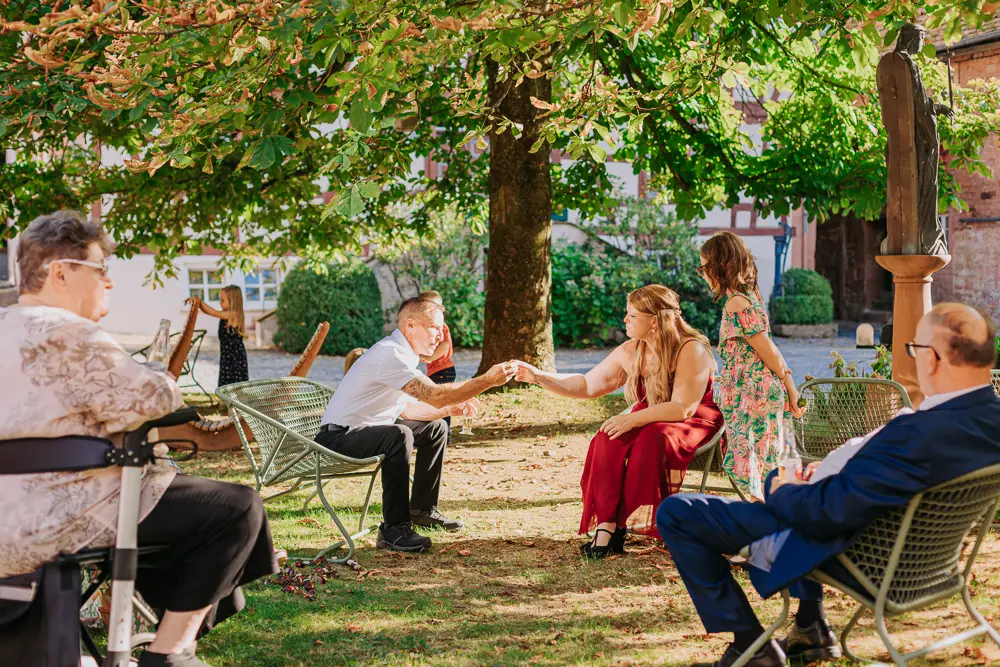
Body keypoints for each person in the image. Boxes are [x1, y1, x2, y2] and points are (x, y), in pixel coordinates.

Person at [0, 211, 277, 667]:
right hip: (67, 514)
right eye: (100, 270)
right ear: (60, 272)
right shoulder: (69, 332)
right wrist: (159, 374)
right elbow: (154, 399)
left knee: (177, 509)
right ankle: (169, 654)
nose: (108, 283)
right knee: (237, 509)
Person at [655, 302, 1000, 667]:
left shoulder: (918, 434)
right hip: (923, 559)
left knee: (678, 512)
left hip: (858, 552)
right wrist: (836, 468)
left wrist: (783, 486)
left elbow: (822, 515)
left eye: (914, 349)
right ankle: (811, 625)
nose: (914, 359)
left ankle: (749, 645)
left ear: (932, 359)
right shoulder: (987, 420)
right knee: (796, 477)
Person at [515, 285, 724, 558]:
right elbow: (587, 385)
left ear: (655, 320)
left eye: (632, 315)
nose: (625, 320)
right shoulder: (632, 350)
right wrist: (540, 376)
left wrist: (633, 419)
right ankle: (607, 526)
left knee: (653, 437)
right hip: (650, 417)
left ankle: (647, 520)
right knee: (607, 436)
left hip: (694, 420)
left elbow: (683, 407)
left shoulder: (690, 348)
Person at [315, 296, 517, 553]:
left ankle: (422, 510)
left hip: (363, 434)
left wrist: (449, 408)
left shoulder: (405, 357)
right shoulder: (390, 354)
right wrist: (487, 380)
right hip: (337, 439)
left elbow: (412, 408)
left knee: (436, 428)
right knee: (398, 434)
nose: (441, 336)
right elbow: (436, 395)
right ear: (411, 325)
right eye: (435, 327)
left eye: (442, 329)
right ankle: (393, 530)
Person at [697, 231, 805, 500]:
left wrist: (790, 384)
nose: (702, 274)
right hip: (752, 392)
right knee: (763, 464)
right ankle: (776, 518)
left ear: (719, 266)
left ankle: (771, 522)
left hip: (752, 395)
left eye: (703, 267)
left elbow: (767, 349)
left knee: (757, 467)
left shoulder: (738, 302)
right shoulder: (748, 296)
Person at [187, 285, 249, 387]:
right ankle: (226, 402)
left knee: (234, 383)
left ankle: (231, 402)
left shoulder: (233, 314)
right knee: (226, 381)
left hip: (234, 357)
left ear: (232, 301)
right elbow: (210, 312)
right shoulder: (227, 314)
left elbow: (213, 313)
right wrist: (199, 305)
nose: (220, 302)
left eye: (222, 300)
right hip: (227, 354)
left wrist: (200, 302)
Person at [419, 291, 458, 426]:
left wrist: (431, 357)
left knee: (442, 403)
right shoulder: (428, 326)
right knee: (437, 402)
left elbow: (445, 345)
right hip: (436, 371)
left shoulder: (441, 326)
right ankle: (439, 430)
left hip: (443, 370)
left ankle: (445, 433)